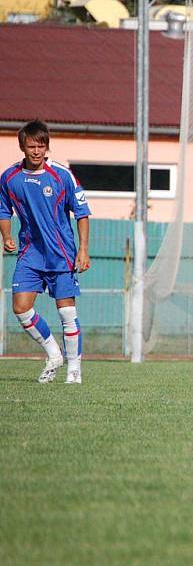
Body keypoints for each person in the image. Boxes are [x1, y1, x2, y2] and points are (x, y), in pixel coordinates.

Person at [0, 120, 91, 384]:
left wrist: (83, 250)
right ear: (22, 147)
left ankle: (74, 370)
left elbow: (82, 214)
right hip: (30, 253)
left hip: (61, 254)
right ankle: (54, 354)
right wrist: (6, 236)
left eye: (41, 145)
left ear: (47, 146)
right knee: (21, 308)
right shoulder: (9, 178)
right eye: (31, 146)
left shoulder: (62, 175)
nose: (37, 151)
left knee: (66, 313)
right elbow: (4, 211)